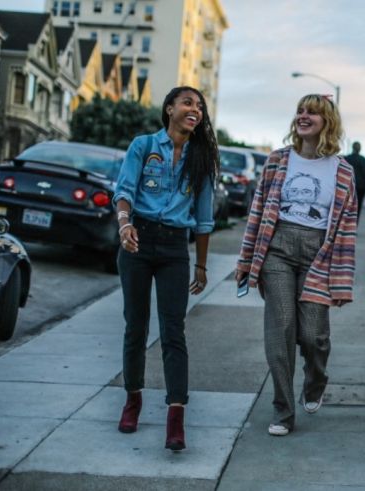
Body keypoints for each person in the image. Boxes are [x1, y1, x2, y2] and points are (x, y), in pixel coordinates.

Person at [236, 94, 357, 437]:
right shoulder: (277, 161)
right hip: (277, 250)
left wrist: (343, 280)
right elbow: (257, 212)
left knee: (314, 336)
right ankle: (283, 410)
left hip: (320, 255)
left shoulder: (343, 171)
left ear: (327, 122)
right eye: (301, 111)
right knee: (282, 328)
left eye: (313, 113)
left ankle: (316, 379)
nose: (304, 116)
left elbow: (347, 228)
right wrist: (246, 260)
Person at [114, 86, 218, 451]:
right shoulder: (143, 146)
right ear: (170, 108)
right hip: (138, 241)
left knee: (174, 331)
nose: (196, 109)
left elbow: (204, 219)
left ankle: (176, 416)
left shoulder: (202, 157)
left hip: (175, 247)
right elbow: (124, 190)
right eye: (188, 102)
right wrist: (125, 225)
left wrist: (201, 266)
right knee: (136, 326)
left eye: (200, 106)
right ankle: (133, 401)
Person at [343, 141, 365, 219]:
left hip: (348, 186)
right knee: (358, 207)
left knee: (347, 207)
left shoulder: (347, 158)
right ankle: (354, 225)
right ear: (359, 149)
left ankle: (346, 225)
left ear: (352, 148)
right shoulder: (363, 159)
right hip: (360, 187)